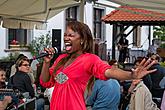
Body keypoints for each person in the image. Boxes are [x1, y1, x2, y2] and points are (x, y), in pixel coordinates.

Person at [40, 21, 156, 110]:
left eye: (71, 35)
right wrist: (46, 62)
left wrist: (131, 75)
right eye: (65, 35)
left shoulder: (88, 59)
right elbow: (46, 81)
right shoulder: (61, 59)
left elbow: (109, 71)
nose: (66, 38)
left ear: (82, 40)